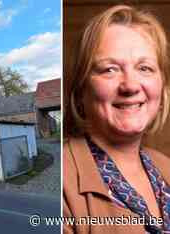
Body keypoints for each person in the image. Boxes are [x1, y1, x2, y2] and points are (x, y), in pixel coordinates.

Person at [64, 5, 170, 234]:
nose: (130, 86)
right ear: (82, 89)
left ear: (161, 90)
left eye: (145, 68)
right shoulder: (63, 184)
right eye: (109, 69)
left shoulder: (165, 166)